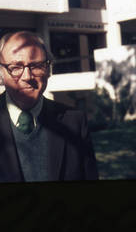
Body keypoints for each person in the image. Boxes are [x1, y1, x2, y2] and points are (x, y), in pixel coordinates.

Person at [0, 31, 98, 183]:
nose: (27, 77)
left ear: (48, 70)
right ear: (1, 72)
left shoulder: (75, 122)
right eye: (15, 67)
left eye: (36, 66)